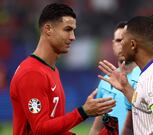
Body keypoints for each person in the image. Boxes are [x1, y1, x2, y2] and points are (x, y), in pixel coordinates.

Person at [10, 3, 115, 135]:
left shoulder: (50, 69)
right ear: (48, 29)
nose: (73, 37)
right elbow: (40, 129)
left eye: (73, 30)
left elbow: (54, 128)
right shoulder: (32, 73)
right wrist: (83, 112)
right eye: (67, 29)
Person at [98, 16, 153, 135]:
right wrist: (126, 88)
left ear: (133, 44)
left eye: (123, 39)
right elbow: (148, 106)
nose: (121, 43)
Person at [89, 22, 141, 135]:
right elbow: (97, 128)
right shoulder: (106, 81)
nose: (122, 44)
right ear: (113, 45)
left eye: (126, 40)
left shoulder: (146, 77)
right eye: (118, 40)